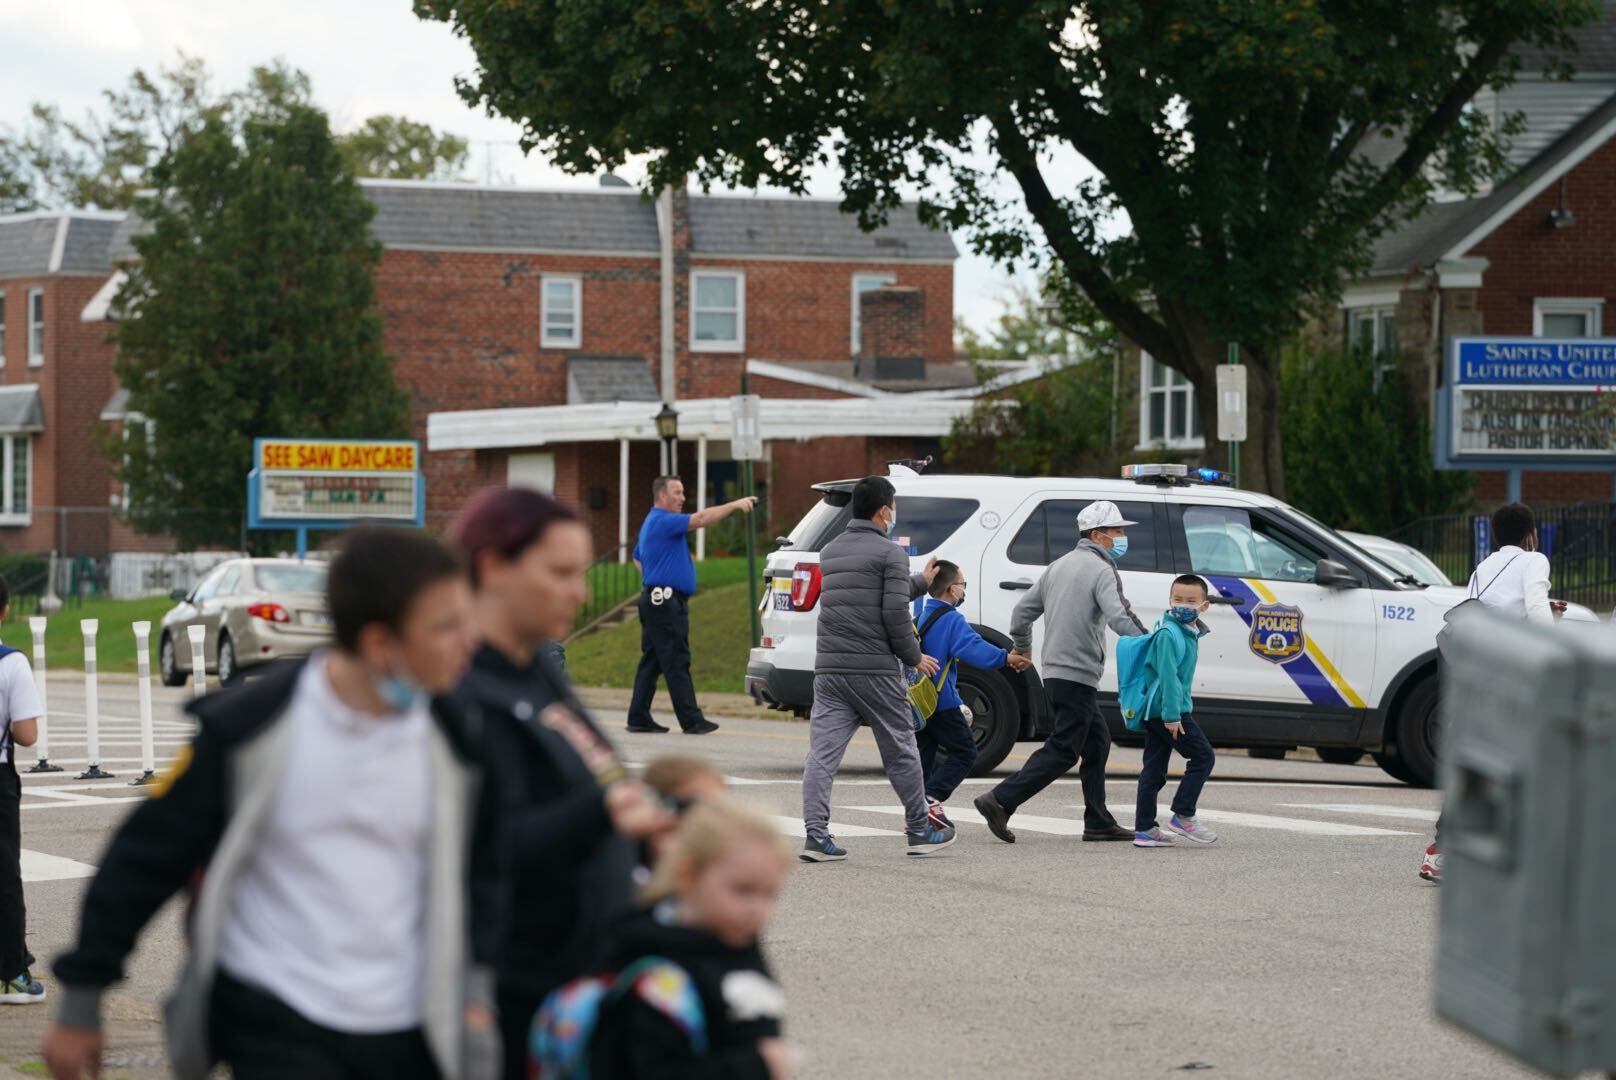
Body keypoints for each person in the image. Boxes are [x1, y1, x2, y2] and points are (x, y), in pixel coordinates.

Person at [43, 527, 494, 1080]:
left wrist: (478, 995)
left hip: (410, 1029)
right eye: (446, 627)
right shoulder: (250, 729)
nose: (469, 641)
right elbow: (141, 859)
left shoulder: (459, 736)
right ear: (380, 643)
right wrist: (82, 999)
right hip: (277, 1021)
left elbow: (487, 873)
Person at [451, 486, 678, 1080]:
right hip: (511, 997)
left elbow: (594, 789)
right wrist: (603, 815)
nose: (579, 592)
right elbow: (479, 847)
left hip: (579, 991)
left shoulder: (535, 674)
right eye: (559, 572)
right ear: (493, 567)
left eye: (581, 572)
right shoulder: (460, 693)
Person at [799, 475, 955, 860]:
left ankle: (816, 836)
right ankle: (919, 828)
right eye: (894, 507)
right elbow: (892, 613)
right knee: (902, 750)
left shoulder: (831, 551)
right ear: (884, 511)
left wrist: (921, 581)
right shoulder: (890, 554)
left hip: (831, 672)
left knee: (822, 755)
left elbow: (869, 592)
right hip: (874, 670)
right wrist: (914, 657)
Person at [586, 798, 796, 1079]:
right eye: (743, 890)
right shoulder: (656, 970)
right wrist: (756, 1065)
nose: (758, 909)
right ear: (687, 877)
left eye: (770, 894)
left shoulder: (735, 938)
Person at [975, 500, 1146, 844]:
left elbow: (1022, 612)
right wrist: (1152, 644)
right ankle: (1001, 799)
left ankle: (1097, 820)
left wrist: (1022, 648)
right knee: (1065, 749)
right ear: (1097, 535)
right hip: (1077, 671)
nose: (1122, 537)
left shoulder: (1058, 566)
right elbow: (1119, 616)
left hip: (1054, 671)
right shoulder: (1101, 570)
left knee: (1097, 741)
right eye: (1117, 531)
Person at [1421, 501, 1563, 884]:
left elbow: (1491, 612)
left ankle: (1451, 850)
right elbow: (1533, 607)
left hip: (1469, 669)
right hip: (1504, 673)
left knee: (1489, 756)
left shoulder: (1484, 567)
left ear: (1496, 535)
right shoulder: (1534, 561)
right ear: (1531, 534)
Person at [628, 476, 757, 735]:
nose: (683, 498)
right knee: (676, 659)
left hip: (656, 599)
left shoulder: (652, 523)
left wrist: (655, 581)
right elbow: (700, 519)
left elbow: (637, 558)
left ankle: (638, 716)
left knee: (652, 660)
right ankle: (691, 720)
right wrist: (734, 505)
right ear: (662, 496)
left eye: (683, 492)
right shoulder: (663, 521)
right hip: (664, 602)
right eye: (677, 492)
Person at [912, 561, 1030, 829]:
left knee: (924, 756)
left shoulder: (920, 617)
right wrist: (1006, 657)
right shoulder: (951, 618)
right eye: (963, 585)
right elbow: (973, 648)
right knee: (965, 752)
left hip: (920, 703)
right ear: (953, 590)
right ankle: (932, 799)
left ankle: (916, 812)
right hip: (942, 701)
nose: (964, 591)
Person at [1133, 575, 1219, 848]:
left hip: (1158, 710)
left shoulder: (1187, 633)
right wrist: (1173, 715)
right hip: (1167, 712)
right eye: (1177, 600)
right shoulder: (1169, 634)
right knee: (1203, 757)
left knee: (1154, 769)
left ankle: (1145, 829)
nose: (1183, 605)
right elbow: (1168, 677)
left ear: (1204, 606)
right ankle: (1183, 814)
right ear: (1169, 601)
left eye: (1191, 601)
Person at [0, 573, 45, 1004]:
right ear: (6, 609)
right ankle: (12, 974)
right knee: (4, 877)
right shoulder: (11, 663)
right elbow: (27, 734)